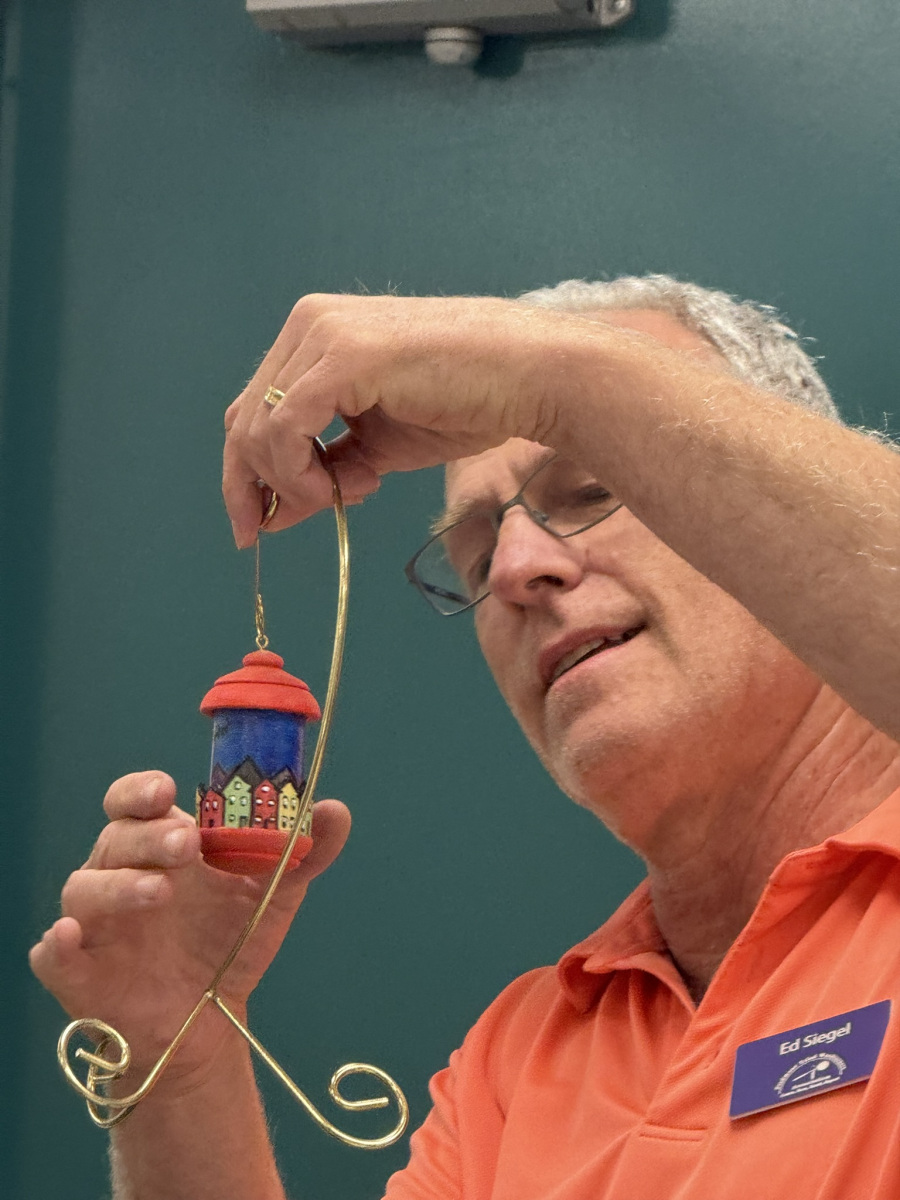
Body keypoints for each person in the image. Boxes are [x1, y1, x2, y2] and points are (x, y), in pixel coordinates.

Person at [30, 276, 900, 1200]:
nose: (516, 567)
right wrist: (183, 1063)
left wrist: (551, 378)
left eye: (595, 485)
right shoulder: (519, 1067)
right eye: (477, 556)